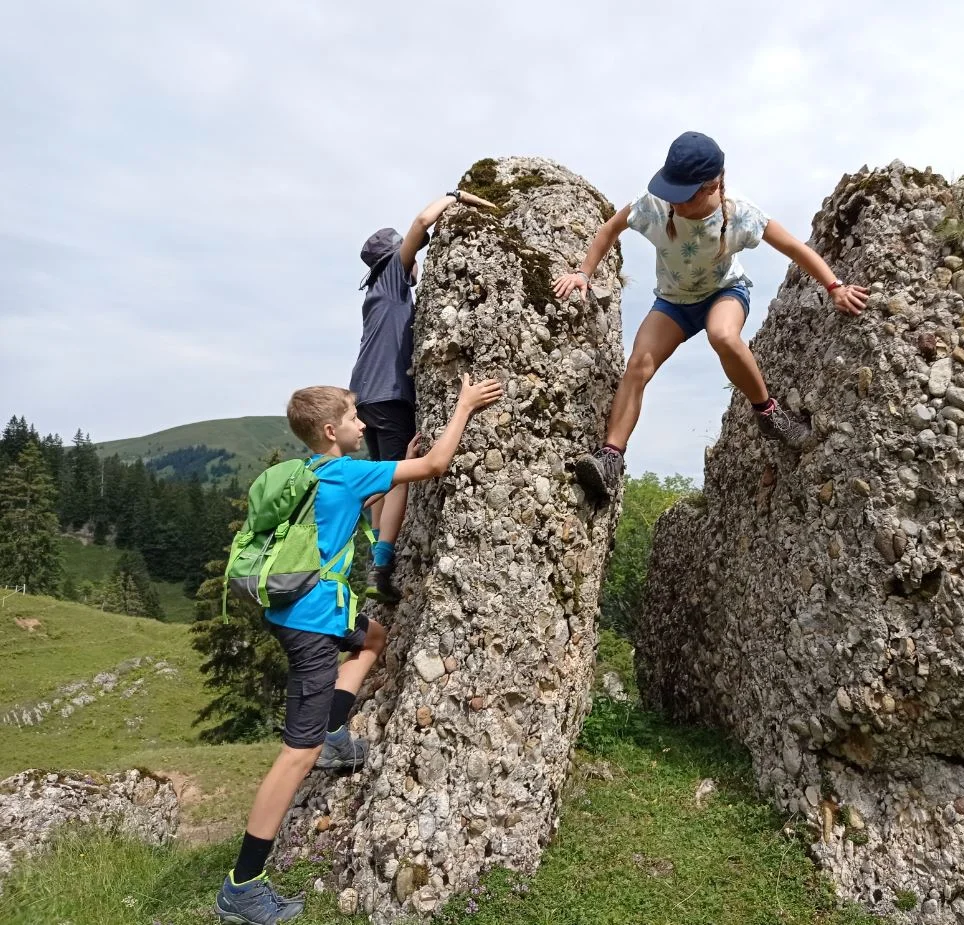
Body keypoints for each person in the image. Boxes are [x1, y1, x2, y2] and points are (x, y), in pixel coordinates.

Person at [214, 375, 502, 925]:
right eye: (353, 416)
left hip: (300, 611)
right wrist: (463, 404)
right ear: (330, 429)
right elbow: (436, 467)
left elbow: (359, 498)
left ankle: (332, 732)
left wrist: (395, 469)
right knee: (294, 756)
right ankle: (242, 886)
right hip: (313, 626)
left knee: (373, 639)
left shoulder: (311, 473)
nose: (363, 423)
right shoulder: (344, 471)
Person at [553, 131, 869, 504]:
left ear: (712, 186)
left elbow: (795, 248)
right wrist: (583, 273)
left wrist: (834, 287)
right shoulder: (653, 206)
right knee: (638, 364)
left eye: (682, 194)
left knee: (722, 335)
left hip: (725, 292)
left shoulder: (740, 216)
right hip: (673, 302)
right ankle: (610, 458)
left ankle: (769, 414)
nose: (672, 200)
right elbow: (609, 229)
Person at [351, 188, 496, 601]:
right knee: (398, 478)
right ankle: (381, 566)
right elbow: (420, 224)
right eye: (411, 256)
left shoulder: (378, 291)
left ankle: (371, 558)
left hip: (365, 395)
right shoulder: (394, 275)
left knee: (381, 473)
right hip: (390, 395)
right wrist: (453, 197)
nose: (415, 262)